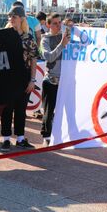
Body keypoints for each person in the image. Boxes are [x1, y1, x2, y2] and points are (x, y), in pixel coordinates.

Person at [0, 5, 39, 152]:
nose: (11, 19)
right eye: (10, 17)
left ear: (21, 19)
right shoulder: (5, 36)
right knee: (7, 108)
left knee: (21, 109)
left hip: (24, 76)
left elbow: (34, 59)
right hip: (8, 77)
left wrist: (33, 80)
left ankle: (21, 138)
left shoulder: (28, 38)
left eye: (14, 17)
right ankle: (6, 139)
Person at [40, 13, 71, 146]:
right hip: (52, 81)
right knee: (49, 110)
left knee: (68, 110)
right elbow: (49, 57)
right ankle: (46, 136)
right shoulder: (44, 40)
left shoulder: (66, 36)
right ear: (48, 25)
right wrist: (62, 45)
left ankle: (67, 134)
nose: (58, 26)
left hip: (66, 80)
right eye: (55, 23)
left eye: (60, 23)